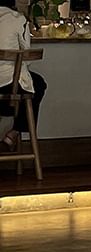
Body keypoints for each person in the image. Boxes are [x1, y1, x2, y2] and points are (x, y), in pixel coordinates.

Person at [0, 0, 46, 151]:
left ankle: (13, 133)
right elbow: (26, 54)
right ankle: (14, 133)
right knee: (37, 84)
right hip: (9, 86)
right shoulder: (17, 19)